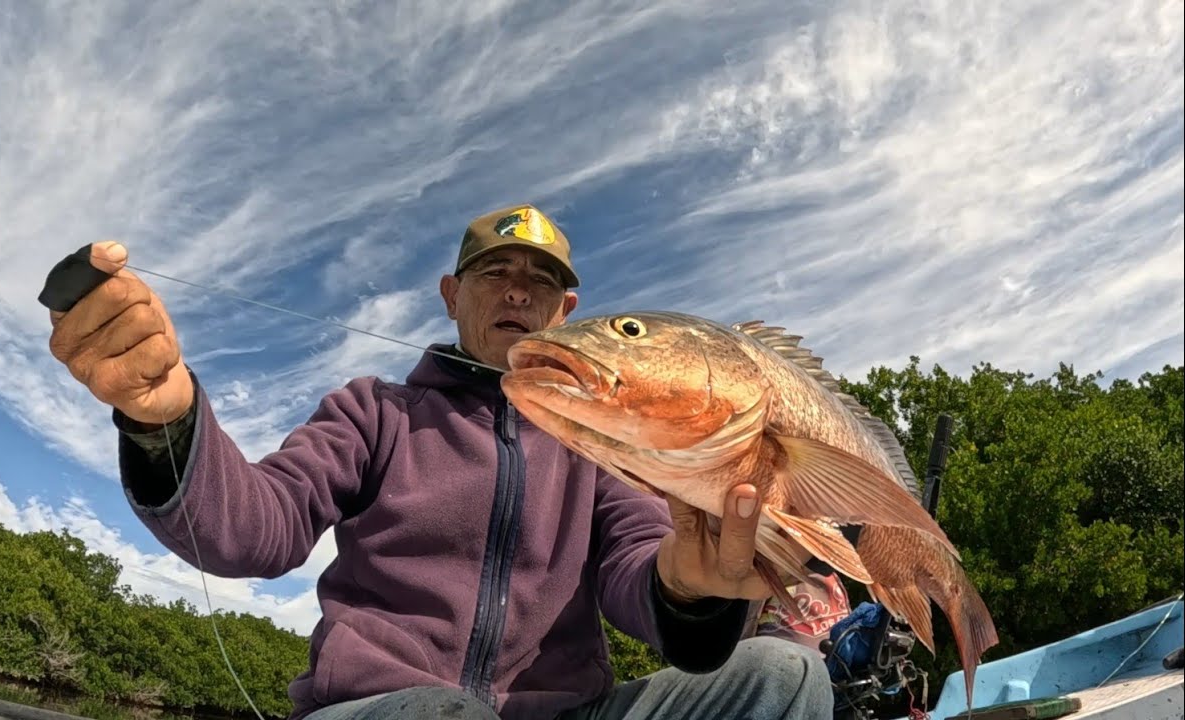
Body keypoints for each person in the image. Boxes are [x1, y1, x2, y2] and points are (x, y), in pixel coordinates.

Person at [46, 203, 834, 720]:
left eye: (541, 284)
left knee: (783, 673)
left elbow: (639, 571)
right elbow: (259, 528)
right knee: (443, 715)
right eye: (496, 274)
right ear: (453, 294)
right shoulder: (374, 412)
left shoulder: (600, 448)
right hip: (390, 709)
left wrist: (690, 584)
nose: (517, 293)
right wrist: (166, 420)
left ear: (565, 313)